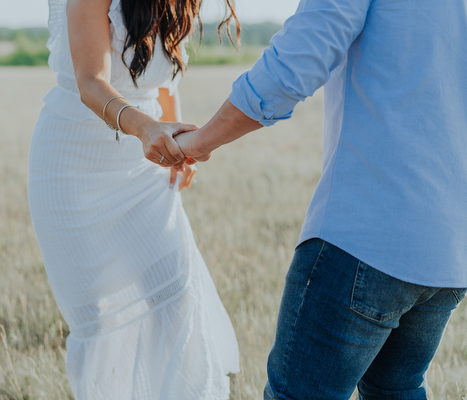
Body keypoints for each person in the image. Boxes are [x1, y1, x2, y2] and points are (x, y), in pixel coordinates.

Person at [172, 0, 467, 398]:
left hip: (367, 238)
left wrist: (200, 141)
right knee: (396, 389)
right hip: (449, 249)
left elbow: (295, 63)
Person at [27, 0, 240, 398]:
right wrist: (147, 130)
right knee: (102, 320)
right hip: (72, 164)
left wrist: (177, 142)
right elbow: (90, 83)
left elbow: (166, 78)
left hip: (145, 166)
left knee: (177, 299)